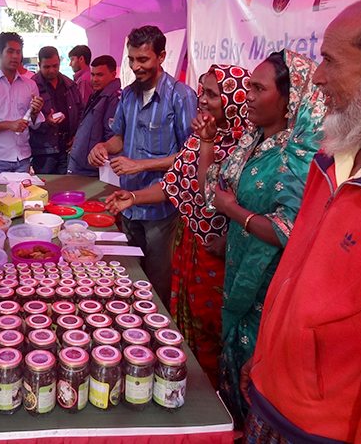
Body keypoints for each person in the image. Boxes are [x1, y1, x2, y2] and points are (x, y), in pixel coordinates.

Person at [239, 0, 361, 444]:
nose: (318, 77)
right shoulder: (329, 160)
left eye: (329, 60)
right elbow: (299, 276)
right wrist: (268, 355)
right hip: (270, 399)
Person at [194, 50, 325, 429]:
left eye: (258, 88)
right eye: (248, 86)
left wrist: (235, 212)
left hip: (268, 289)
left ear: (289, 100)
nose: (248, 95)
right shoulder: (251, 141)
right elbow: (212, 191)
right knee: (232, 369)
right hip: (239, 274)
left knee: (259, 380)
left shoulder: (297, 156)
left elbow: (290, 231)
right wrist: (207, 142)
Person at [105, 65, 250, 385]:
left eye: (213, 94)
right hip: (190, 243)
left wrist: (228, 236)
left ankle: (214, 397)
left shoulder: (247, 151)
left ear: (235, 100)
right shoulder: (202, 140)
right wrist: (133, 196)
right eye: (203, 91)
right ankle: (187, 383)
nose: (202, 100)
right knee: (184, 320)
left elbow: (209, 196)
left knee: (211, 328)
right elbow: (172, 183)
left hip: (220, 258)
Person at [87, 26, 197, 306]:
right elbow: (120, 139)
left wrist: (140, 165)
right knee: (131, 273)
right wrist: (101, 147)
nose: (136, 67)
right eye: (131, 59)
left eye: (143, 60)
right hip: (127, 203)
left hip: (161, 206)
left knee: (156, 280)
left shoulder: (181, 96)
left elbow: (191, 157)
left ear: (161, 56)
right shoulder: (128, 95)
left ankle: (158, 336)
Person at [0, 32, 44, 173]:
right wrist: (9, 125)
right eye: (10, 51)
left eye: (18, 52)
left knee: (23, 195)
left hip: (23, 157)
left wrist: (35, 112)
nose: (15, 56)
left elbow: (35, 125)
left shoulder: (30, 85)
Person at [30, 46, 83, 174]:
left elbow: (81, 111)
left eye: (55, 66)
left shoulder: (69, 84)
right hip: (44, 150)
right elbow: (25, 119)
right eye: (47, 67)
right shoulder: (31, 86)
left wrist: (77, 135)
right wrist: (45, 122)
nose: (52, 70)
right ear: (39, 65)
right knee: (45, 189)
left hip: (67, 147)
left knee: (65, 188)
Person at [68, 55, 122, 177]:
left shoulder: (114, 99)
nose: (95, 79)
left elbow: (112, 137)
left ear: (113, 75)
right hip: (81, 163)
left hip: (92, 169)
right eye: (92, 75)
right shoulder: (98, 94)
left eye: (100, 75)